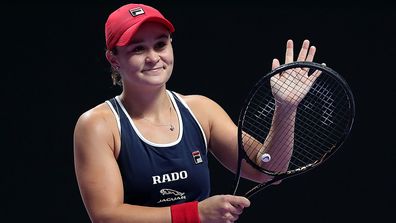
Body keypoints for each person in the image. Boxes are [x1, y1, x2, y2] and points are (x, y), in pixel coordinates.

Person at [73, 3, 320, 223]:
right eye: (138, 49)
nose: (153, 58)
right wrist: (196, 214)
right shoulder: (98, 125)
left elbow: (268, 171)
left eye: (160, 44)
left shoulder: (201, 110)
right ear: (114, 59)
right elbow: (106, 216)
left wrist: (286, 108)